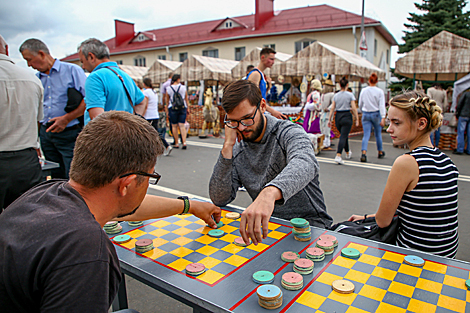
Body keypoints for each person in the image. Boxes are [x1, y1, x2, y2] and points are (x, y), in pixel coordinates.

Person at [0, 111, 221, 311]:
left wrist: (188, 205)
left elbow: (125, 208)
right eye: (150, 177)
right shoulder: (85, 250)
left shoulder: (47, 192)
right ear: (126, 184)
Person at [209, 80, 333, 246]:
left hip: (310, 225)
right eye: (233, 121)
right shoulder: (236, 148)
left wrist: (270, 192)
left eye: (247, 118)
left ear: (262, 106)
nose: (241, 128)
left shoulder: (288, 132)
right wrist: (227, 147)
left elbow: (306, 162)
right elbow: (219, 198)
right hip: (268, 229)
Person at [349, 91, 459, 258]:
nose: (389, 128)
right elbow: (420, 213)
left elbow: (382, 221)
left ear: (421, 123)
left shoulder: (407, 163)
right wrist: (367, 216)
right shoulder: (447, 162)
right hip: (446, 257)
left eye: (396, 123)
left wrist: (365, 218)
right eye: (389, 121)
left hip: (414, 259)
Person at [20, 38, 86, 179]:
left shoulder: (72, 70)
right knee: (53, 175)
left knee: (72, 174)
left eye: (30, 59)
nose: (29, 65)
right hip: (46, 133)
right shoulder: (36, 78)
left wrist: (66, 119)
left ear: (42, 54)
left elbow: (88, 100)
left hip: (69, 132)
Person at [0, 35, 43, 211]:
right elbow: (37, 121)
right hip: (26, 161)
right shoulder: (32, 78)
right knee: (29, 218)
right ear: (7, 49)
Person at [77, 38, 147, 124]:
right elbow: (142, 102)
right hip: (127, 134)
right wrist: (131, 124)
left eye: (82, 61)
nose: (83, 67)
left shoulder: (95, 77)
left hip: (106, 136)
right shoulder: (125, 75)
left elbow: (97, 119)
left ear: (91, 57)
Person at [246, 47, 287, 119]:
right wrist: (273, 111)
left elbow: (260, 95)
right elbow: (253, 98)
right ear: (262, 58)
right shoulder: (256, 74)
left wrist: (268, 88)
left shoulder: (261, 74)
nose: (273, 62)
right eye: (271, 59)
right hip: (254, 114)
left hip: (259, 112)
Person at [328, 77, 359, 164]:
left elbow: (332, 107)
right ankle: (338, 155)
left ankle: (348, 152)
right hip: (346, 115)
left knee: (343, 135)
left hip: (338, 115)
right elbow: (353, 108)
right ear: (347, 85)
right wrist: (356, 118)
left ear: (339, 85)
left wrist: (330, 119)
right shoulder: (350, 95)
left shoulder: (336, 95)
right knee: (343, 135)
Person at [358, 73, 386, 162]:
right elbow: (382, 105)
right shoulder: (380, 91)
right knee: (378, 134)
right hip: (376, 113)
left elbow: (360, 103)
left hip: (366, 113)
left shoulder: (364, 90)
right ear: (377, 81)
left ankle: (364, 152)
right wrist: (383, 117)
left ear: (368, 81)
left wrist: (362, 110)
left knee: (366, 135)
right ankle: (380, 151)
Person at [142, 77, 171, 156]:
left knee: (146, 132)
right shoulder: (154, 91)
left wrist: (142, 114)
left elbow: (146, 105)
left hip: (148, 115)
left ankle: (152, 148)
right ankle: (165, 146)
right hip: (155, 114)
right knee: (156, 132)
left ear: (144, 84)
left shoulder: (146, 92)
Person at [166, 74, 190, 149]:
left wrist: (167, 111)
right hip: (182, 107)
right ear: (178, 79)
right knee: (182, 125)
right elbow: (186, 99)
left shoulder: (168, 88)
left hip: (172, 107)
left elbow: (167, 101)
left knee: (174, 125)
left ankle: (176, 143)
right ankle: (184, 142)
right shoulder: (183, 88)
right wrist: (188, 108)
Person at [427, 83, 447, 147]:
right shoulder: (443, 92)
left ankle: (431, 145)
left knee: (431, 128)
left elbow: (429, 99)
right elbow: (445, 103)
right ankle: (437, 144)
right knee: (438, 128)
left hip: (432, 110)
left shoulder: (430, 90)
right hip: (440, 110)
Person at [453, 90, 470, 155]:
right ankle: (469, 149)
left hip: (463, 114)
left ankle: (460, 149)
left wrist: (457, 112)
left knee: (461, 132)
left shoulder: (466, 94)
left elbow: (460, 103)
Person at [320, 80, 335, 149]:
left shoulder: (330, 95)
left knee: (326, 129)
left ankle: (326, 143)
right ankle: (324, 143)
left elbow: (333, 104)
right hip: (324, 114)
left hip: (326, 114)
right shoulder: (324, 94)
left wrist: (328, 108)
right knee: (324, 129)